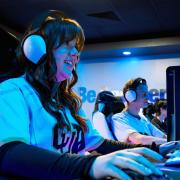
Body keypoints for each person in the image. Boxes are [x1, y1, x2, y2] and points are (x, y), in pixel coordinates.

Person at [0, 10, 179, 180]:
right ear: (38, 50)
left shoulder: (69, 103)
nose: (75, 53)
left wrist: (153, 149)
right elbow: (9, 153)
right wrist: (88, 165)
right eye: (66, 45)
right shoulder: (14, 91)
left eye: (76, 47)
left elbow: (101, 145)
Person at [111, 78, 167, 145]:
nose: (147, 97)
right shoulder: (118, 118)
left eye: (147, 94)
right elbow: (139, 140)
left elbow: (162, 136)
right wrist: (170, 142)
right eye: (144, 94)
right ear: (130, 96)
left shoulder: (143, 119)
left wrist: (173, 141)